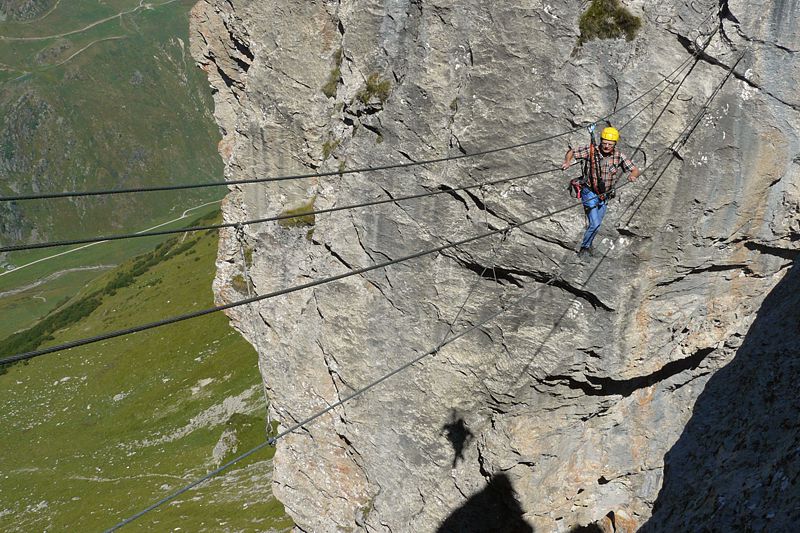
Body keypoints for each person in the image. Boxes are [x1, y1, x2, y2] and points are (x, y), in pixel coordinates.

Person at [561, 126, 640, 258]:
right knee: (595, 223)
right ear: (601, 141)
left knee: (597, 225)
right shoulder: (591, 151)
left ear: (615, 144)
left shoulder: (618, 156)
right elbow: (572, 152)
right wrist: (568, 162)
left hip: (605, 196)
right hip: (590, 192)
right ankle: (584, 248)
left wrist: (633, 176)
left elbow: (634, 169)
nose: (607, 146)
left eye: (610, 144)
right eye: (604, 143)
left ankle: (589, 244)